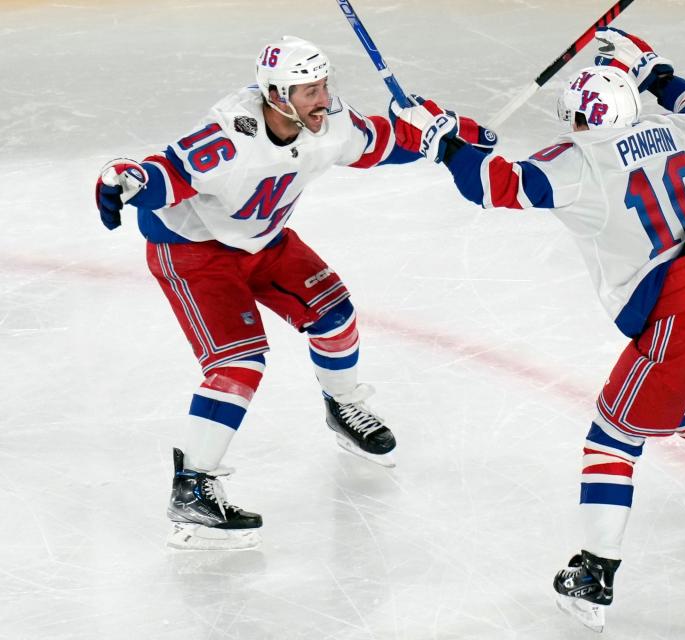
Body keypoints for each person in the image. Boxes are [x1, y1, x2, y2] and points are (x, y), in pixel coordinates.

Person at [389, 27, 685, 631]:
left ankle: (593, 571)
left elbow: (494, 185)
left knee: (612, 436)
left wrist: (442, 142)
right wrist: (654, 71)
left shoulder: (578, 164)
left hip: (679, 323)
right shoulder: (678, 131)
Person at [94, 35, 496, 550]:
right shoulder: (228, 136)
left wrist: (443, 138)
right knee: (237, 366)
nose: (322, 98)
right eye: (308, 90)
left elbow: (379, 142)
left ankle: (344, 405)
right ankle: (192, 486)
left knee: (335, 314)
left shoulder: (327, 123)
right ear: (277, 94)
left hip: (263, 239)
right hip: (195, 252)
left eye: (324, 84)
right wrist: (123, 179)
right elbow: (163, 174)